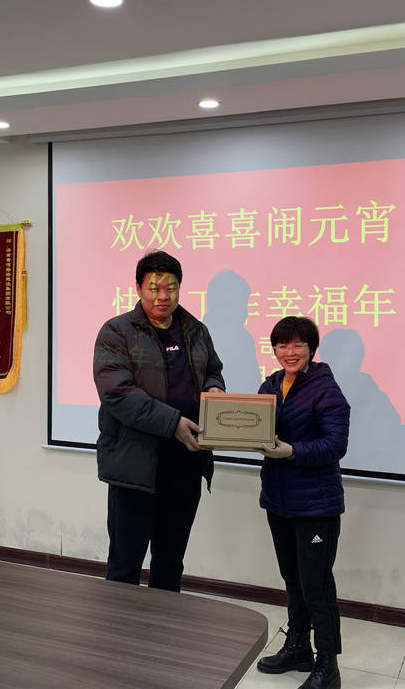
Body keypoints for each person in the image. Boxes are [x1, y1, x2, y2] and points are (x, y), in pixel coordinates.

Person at [92, 250, 225, 592]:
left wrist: (215, 390)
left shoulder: (196, 331)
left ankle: (164, 627)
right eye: (154, 288)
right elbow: (118, 394)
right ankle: (120, 628)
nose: (163, 296)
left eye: (171, 288)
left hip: (185, 463)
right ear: (138, 288)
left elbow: (213, 370)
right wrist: (173, 423)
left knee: (170, 563)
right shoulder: (116, 331)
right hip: (135, 466)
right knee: (125, 566)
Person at [256, 316, 350, 689]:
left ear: (311, 348)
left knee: (317, 585)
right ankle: (297, 647)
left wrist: (292, 450)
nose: (290, 352)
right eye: (283, 345)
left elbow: (335, 445)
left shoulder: (326, 389)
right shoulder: (270, 385)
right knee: (293, 580)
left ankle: (328, 666)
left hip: (316, 505)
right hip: (278, 500)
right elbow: (254, 426)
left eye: (298, 345)